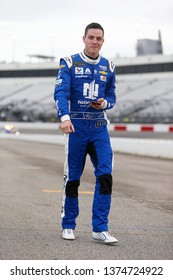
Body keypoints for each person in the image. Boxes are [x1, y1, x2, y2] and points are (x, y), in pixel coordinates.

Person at [54, 22, 118, 244]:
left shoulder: (109, 66)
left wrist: (105, 103)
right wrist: (64, 117)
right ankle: (68, 224)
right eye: (91, 37)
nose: (94, 42)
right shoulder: (69, 63)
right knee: (73, 177)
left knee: (106, 175)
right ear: (84, 39)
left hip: (99, 127)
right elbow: (60, 92)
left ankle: (100, 228)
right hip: (76, 128)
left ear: (103, 41)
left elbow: (112, 96)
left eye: (99, 38)